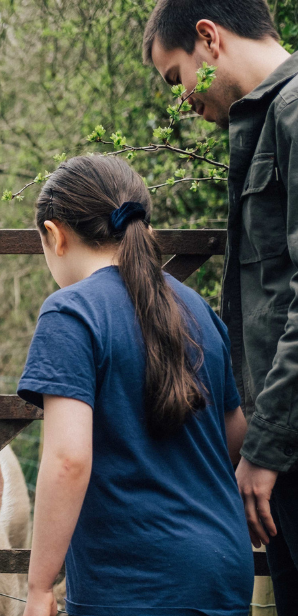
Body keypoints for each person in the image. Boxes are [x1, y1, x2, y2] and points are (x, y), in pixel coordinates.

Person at [18, 155, 253, 616]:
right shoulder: (196, 308)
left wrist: (40, 585)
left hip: (132, 579)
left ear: (55, 235)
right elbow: (236, 429)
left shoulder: (70, 312)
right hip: (223, 565)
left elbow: (68, 461)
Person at [145, 1, 298, 606]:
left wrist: (265, 448)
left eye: (174, 77)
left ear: (208, 38)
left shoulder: (293, 112)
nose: (179, 100)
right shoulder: (268, 119)